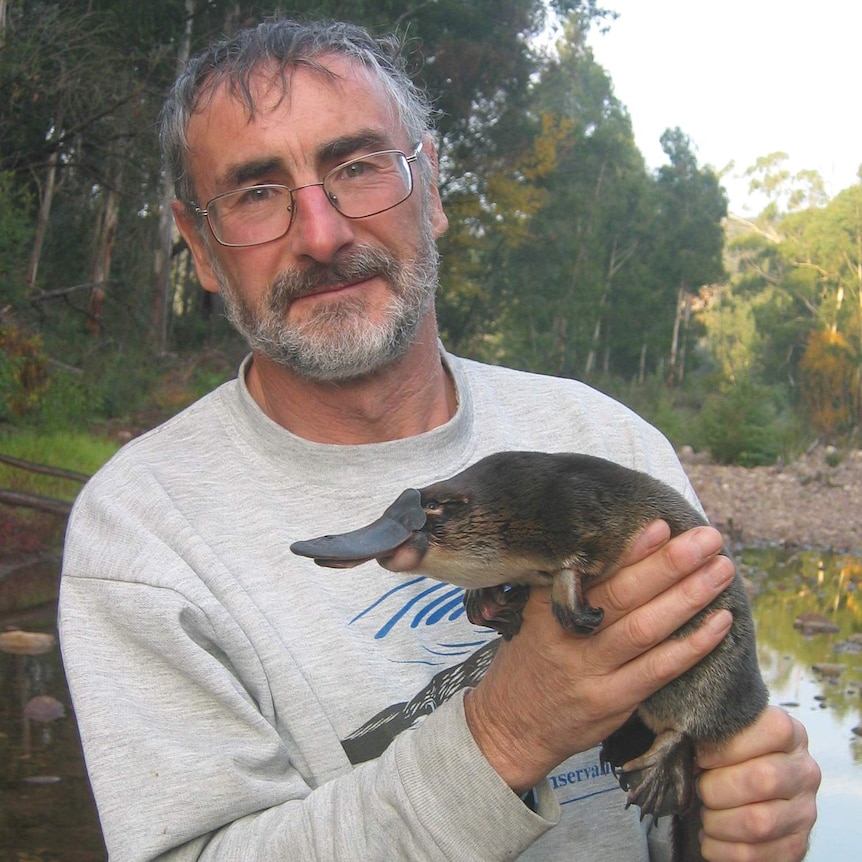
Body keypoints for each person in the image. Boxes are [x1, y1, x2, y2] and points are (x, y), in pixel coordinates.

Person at [58, 17, 819, 862]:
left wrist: (747, 817)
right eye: (257, 193)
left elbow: (701, 760)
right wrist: (504, 733)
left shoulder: (607, 437)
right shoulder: (138, 533)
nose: (323, 233)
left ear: (432, 188)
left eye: (357, 167)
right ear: (199, 246)